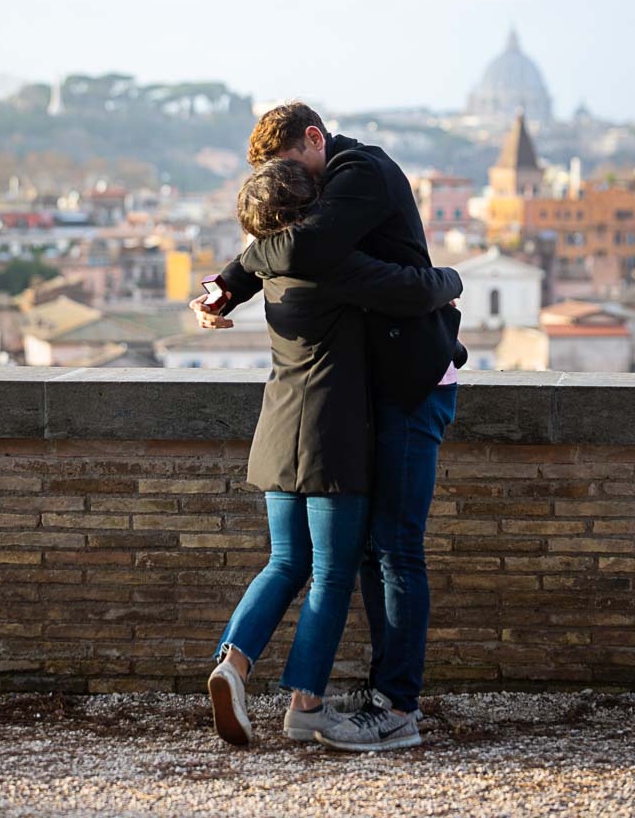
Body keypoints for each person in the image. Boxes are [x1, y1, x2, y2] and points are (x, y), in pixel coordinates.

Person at [192, 102, 465, 752]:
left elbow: (302, 244)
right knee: (356, 558)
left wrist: (228, 282)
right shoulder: (314, 244)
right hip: (359, 400)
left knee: (390, 549)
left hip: (409, 382)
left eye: (291, 170)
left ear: (314, 140)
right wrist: (448, 279)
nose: (302, 193)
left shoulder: (359, 173)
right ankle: (323, 702)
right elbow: (302, 245)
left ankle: (394, 707)